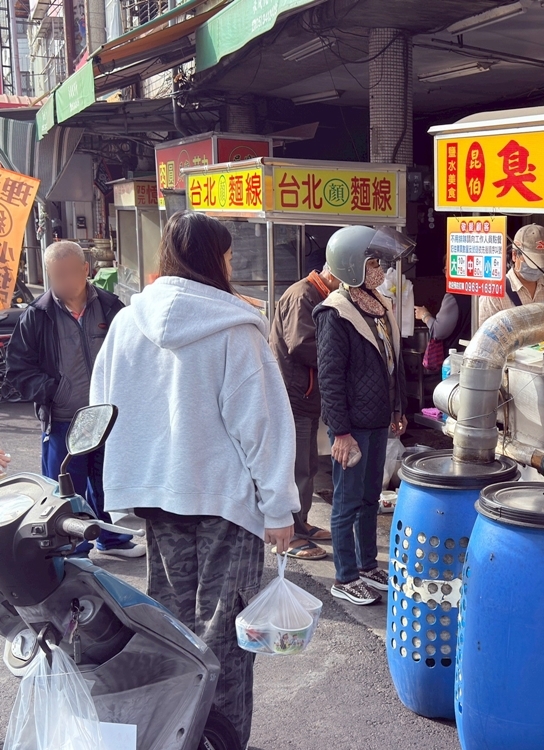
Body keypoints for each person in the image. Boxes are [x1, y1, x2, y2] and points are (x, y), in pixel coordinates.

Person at [90, 211, 298, 747]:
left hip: (157, 496)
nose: (231, 264)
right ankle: (221, 740)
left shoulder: (126, 322)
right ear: (214, 259)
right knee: (225, 635)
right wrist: (278, 509)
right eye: (227, 255)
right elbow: (263, 427)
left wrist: (121, 482)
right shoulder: (234, 328)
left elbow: (101, 407)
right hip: (225, 503)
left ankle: (175, 737)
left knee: (171, 629)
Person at [6, 240, 141, 558]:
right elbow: (18, 368)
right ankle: (73, 551)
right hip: (64, 417)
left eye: (70, 273)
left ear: (86, 270)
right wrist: (53, 391)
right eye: (56, 275)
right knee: (65, 488)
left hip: (106, 418)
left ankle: (111, 539)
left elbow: (133, 356)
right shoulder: (37, 316)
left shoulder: (111, 307)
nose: (64, 281)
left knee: (106, 481)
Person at [315, 225, 414, 606]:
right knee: (347, 500)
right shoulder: (335, 313)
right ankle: (345, 575)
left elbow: (394, 365)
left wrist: (397, 408)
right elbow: (330, 378)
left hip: (377, 421)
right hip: (352, 427)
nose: (382, 271)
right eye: (374, 263)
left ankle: (368, 565)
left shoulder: (378, 305)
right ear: (353, 266)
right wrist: (340, 432)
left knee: (371, 497)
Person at [268, 261, 340, 561]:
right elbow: (301, 345)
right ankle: (291, 534)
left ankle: (301, 523)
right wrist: (339, 353)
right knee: (296, 467)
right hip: (294, 395)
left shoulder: (318, 294)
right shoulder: (303, 295)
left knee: (308, 465)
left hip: (305, 396)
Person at [478, 224, 544, 321]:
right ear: (515, 255)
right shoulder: (494, 294)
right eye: (532, 262)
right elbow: (485, 334)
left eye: (542, 262)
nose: (538, 267)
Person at [415, 292, 472, 361]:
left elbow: (438, 331)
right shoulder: (481, 295)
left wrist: (424, 315)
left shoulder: (454, 297)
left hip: (455, 357)